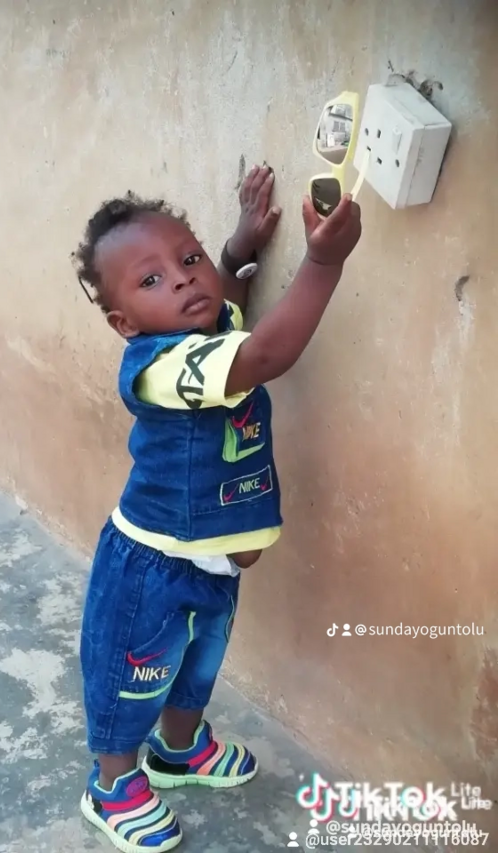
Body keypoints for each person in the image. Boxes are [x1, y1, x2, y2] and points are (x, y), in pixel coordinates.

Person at [74, 165, 362, 852]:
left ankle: (178, 752)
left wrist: (236, 249)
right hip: (154, 565)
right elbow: (262, 355)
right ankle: (111, 784)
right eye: (152, 279)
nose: (182, 280)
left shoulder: (207, 322)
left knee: (195, 668)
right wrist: (322, 261)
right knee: (132, 678)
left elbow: (224, 304)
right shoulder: (159, 363)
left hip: (214, 565)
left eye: (189, 258)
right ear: (123, 322)